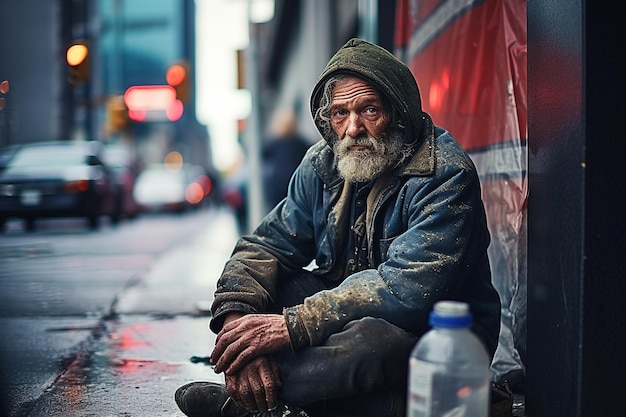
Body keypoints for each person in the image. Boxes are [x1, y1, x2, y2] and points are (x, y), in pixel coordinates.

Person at [175, 38, 501, 417]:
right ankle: (323, 401)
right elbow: (265, 246)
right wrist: (240, 328)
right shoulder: (323, 164)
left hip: (438, 338)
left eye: (370, 110)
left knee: (371, 342)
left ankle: (256, 404)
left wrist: (292, 326)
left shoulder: (444, 173)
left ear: (399, 113)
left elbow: (408, 291)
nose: (353, 129)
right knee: (274, 288)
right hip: (346, 316)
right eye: (340, 114)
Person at [262, 107, 310, 211]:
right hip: (295, 180)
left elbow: (263, 153)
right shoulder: (300, 142)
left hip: (277, 182)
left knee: (277, 211)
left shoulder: (274, 143)